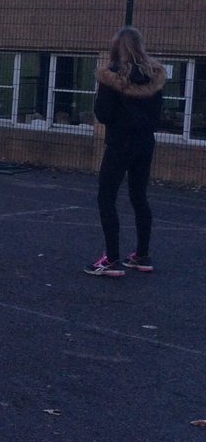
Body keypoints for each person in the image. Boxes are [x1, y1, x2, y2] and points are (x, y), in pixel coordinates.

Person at [85, 26, 166, 277]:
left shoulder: (112, 78)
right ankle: (142, 254)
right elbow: (157, 116)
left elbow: (103, 114)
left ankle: (111, 258)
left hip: (120, 143)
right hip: (145, 143)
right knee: (139, 195)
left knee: (106, 196)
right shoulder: (154, 77)